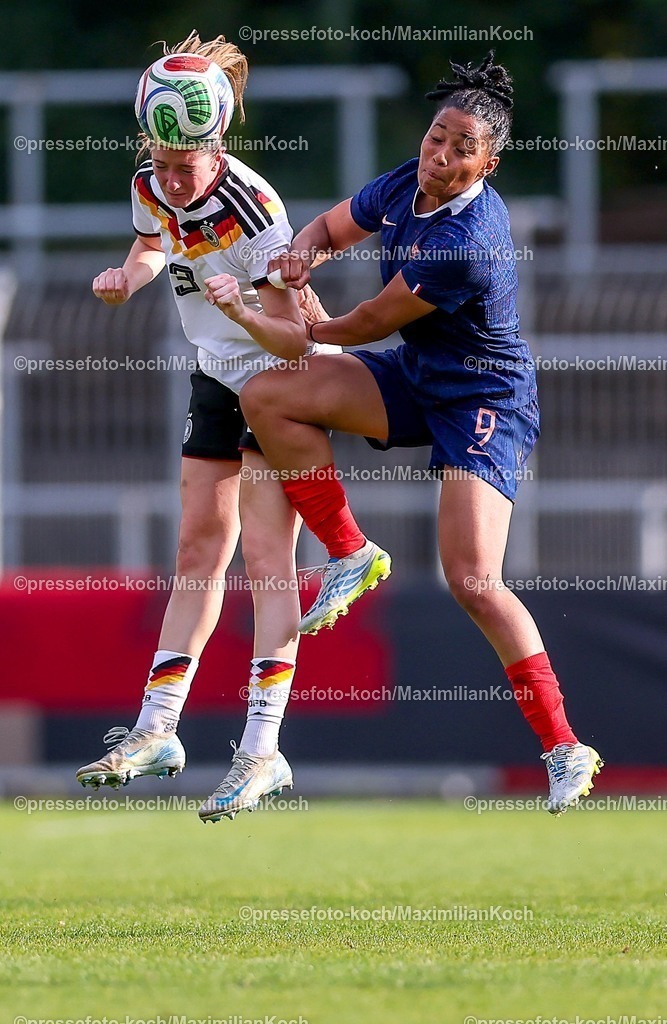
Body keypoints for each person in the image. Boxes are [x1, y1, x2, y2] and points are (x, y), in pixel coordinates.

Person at [236, 52, 603, 816]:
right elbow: (328, 227)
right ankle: (350, 551)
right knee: (268, 397)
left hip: (483, 397)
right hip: (416, 374)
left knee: (471, 580)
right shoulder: (406, 180)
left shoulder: (467, 240)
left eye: (461, 148)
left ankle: (563, 745)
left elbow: (368, 320)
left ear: (487, 164)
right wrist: (299, 259)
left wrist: (307, 324)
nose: (440, 155)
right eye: (437, 136)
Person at [75, 30, 340, 824]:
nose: (168, 179)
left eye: (182, 167)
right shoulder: (152, 183)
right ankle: (157, 729)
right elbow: (152, 241)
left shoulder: (255, 207)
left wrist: (242, 310)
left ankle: (262, 749)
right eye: (158, 163)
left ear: (215, 146)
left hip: (278, 381)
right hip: (216, 373)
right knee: (197, 549)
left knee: (266, 560)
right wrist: (130, 277)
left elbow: (292, 334)